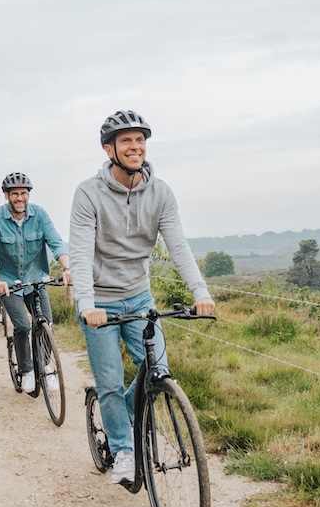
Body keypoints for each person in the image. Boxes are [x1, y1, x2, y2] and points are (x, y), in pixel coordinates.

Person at [69, 110, 215, 485]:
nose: (135, 147)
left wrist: (200, 291)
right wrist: (86, 303)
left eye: (140, 140)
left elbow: (177, 246)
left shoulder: (161, 192)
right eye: (126, 141)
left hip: (138, 296)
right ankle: (122, 450)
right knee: (111, 382)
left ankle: (125, 412)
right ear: (109, 149)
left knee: (158, 369)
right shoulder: (88, 193)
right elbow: (82, 253)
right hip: (99, 300)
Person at [0, 172, 72, 393]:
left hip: (35, 279)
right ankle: (27, 371)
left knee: (46, 323)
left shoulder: (40, 215)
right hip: (8, 284)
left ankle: (46, 368)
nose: (20, 198)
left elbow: (56, 243)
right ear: (6, 196)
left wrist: (67, 268)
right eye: (15, 194)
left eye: (24, 194)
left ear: (28, 195)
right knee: (22, 325)